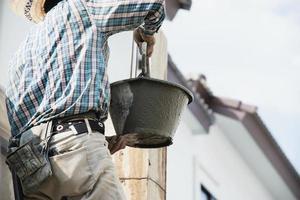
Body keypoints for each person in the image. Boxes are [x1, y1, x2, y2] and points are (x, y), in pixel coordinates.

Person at [5, 0, 165, 198]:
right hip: (75, 149)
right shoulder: (83, 7)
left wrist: (94, 139)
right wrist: (147, 33)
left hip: (31, 168)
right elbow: (153, 5)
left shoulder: (22, 54)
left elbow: (40, 133)